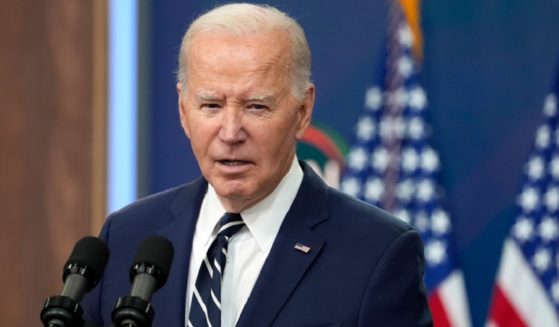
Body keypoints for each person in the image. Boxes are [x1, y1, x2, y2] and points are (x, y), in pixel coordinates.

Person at [82, 3, 432, 326]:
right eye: (211, 106)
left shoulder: (377, 253)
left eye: (256, 107)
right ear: (182, 109)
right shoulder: (128, 235)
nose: (231, 132)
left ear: (303, 110)